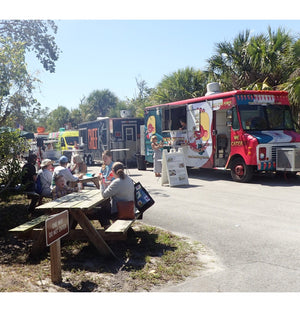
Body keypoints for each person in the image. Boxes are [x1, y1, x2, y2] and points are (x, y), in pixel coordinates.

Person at [98, 162, 134, 227]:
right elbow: (120, 185)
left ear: (112, 171)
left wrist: (101, 183)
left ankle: (108, 228)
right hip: (130, 209)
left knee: (101, 211)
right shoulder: (128, 178)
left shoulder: (116, 182)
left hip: (120, 211)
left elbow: (104, 195)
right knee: (106, 207)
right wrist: (110, 183)